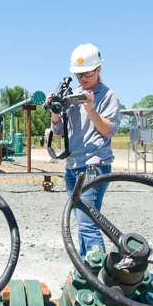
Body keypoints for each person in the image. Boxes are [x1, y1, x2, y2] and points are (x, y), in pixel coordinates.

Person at [47, 43, 121, 258]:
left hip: (94, 165)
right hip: (72, 167)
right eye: (78, 75)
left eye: (87, 73)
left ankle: (96, 274)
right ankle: (85, 268)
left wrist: (90, 108)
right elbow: (60, 132)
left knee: (87, 222)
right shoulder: (71, 95)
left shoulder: (108, 96)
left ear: (98, 69)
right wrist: (54, 112)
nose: (82, 78)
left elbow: (109, 131)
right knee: (82, 220)